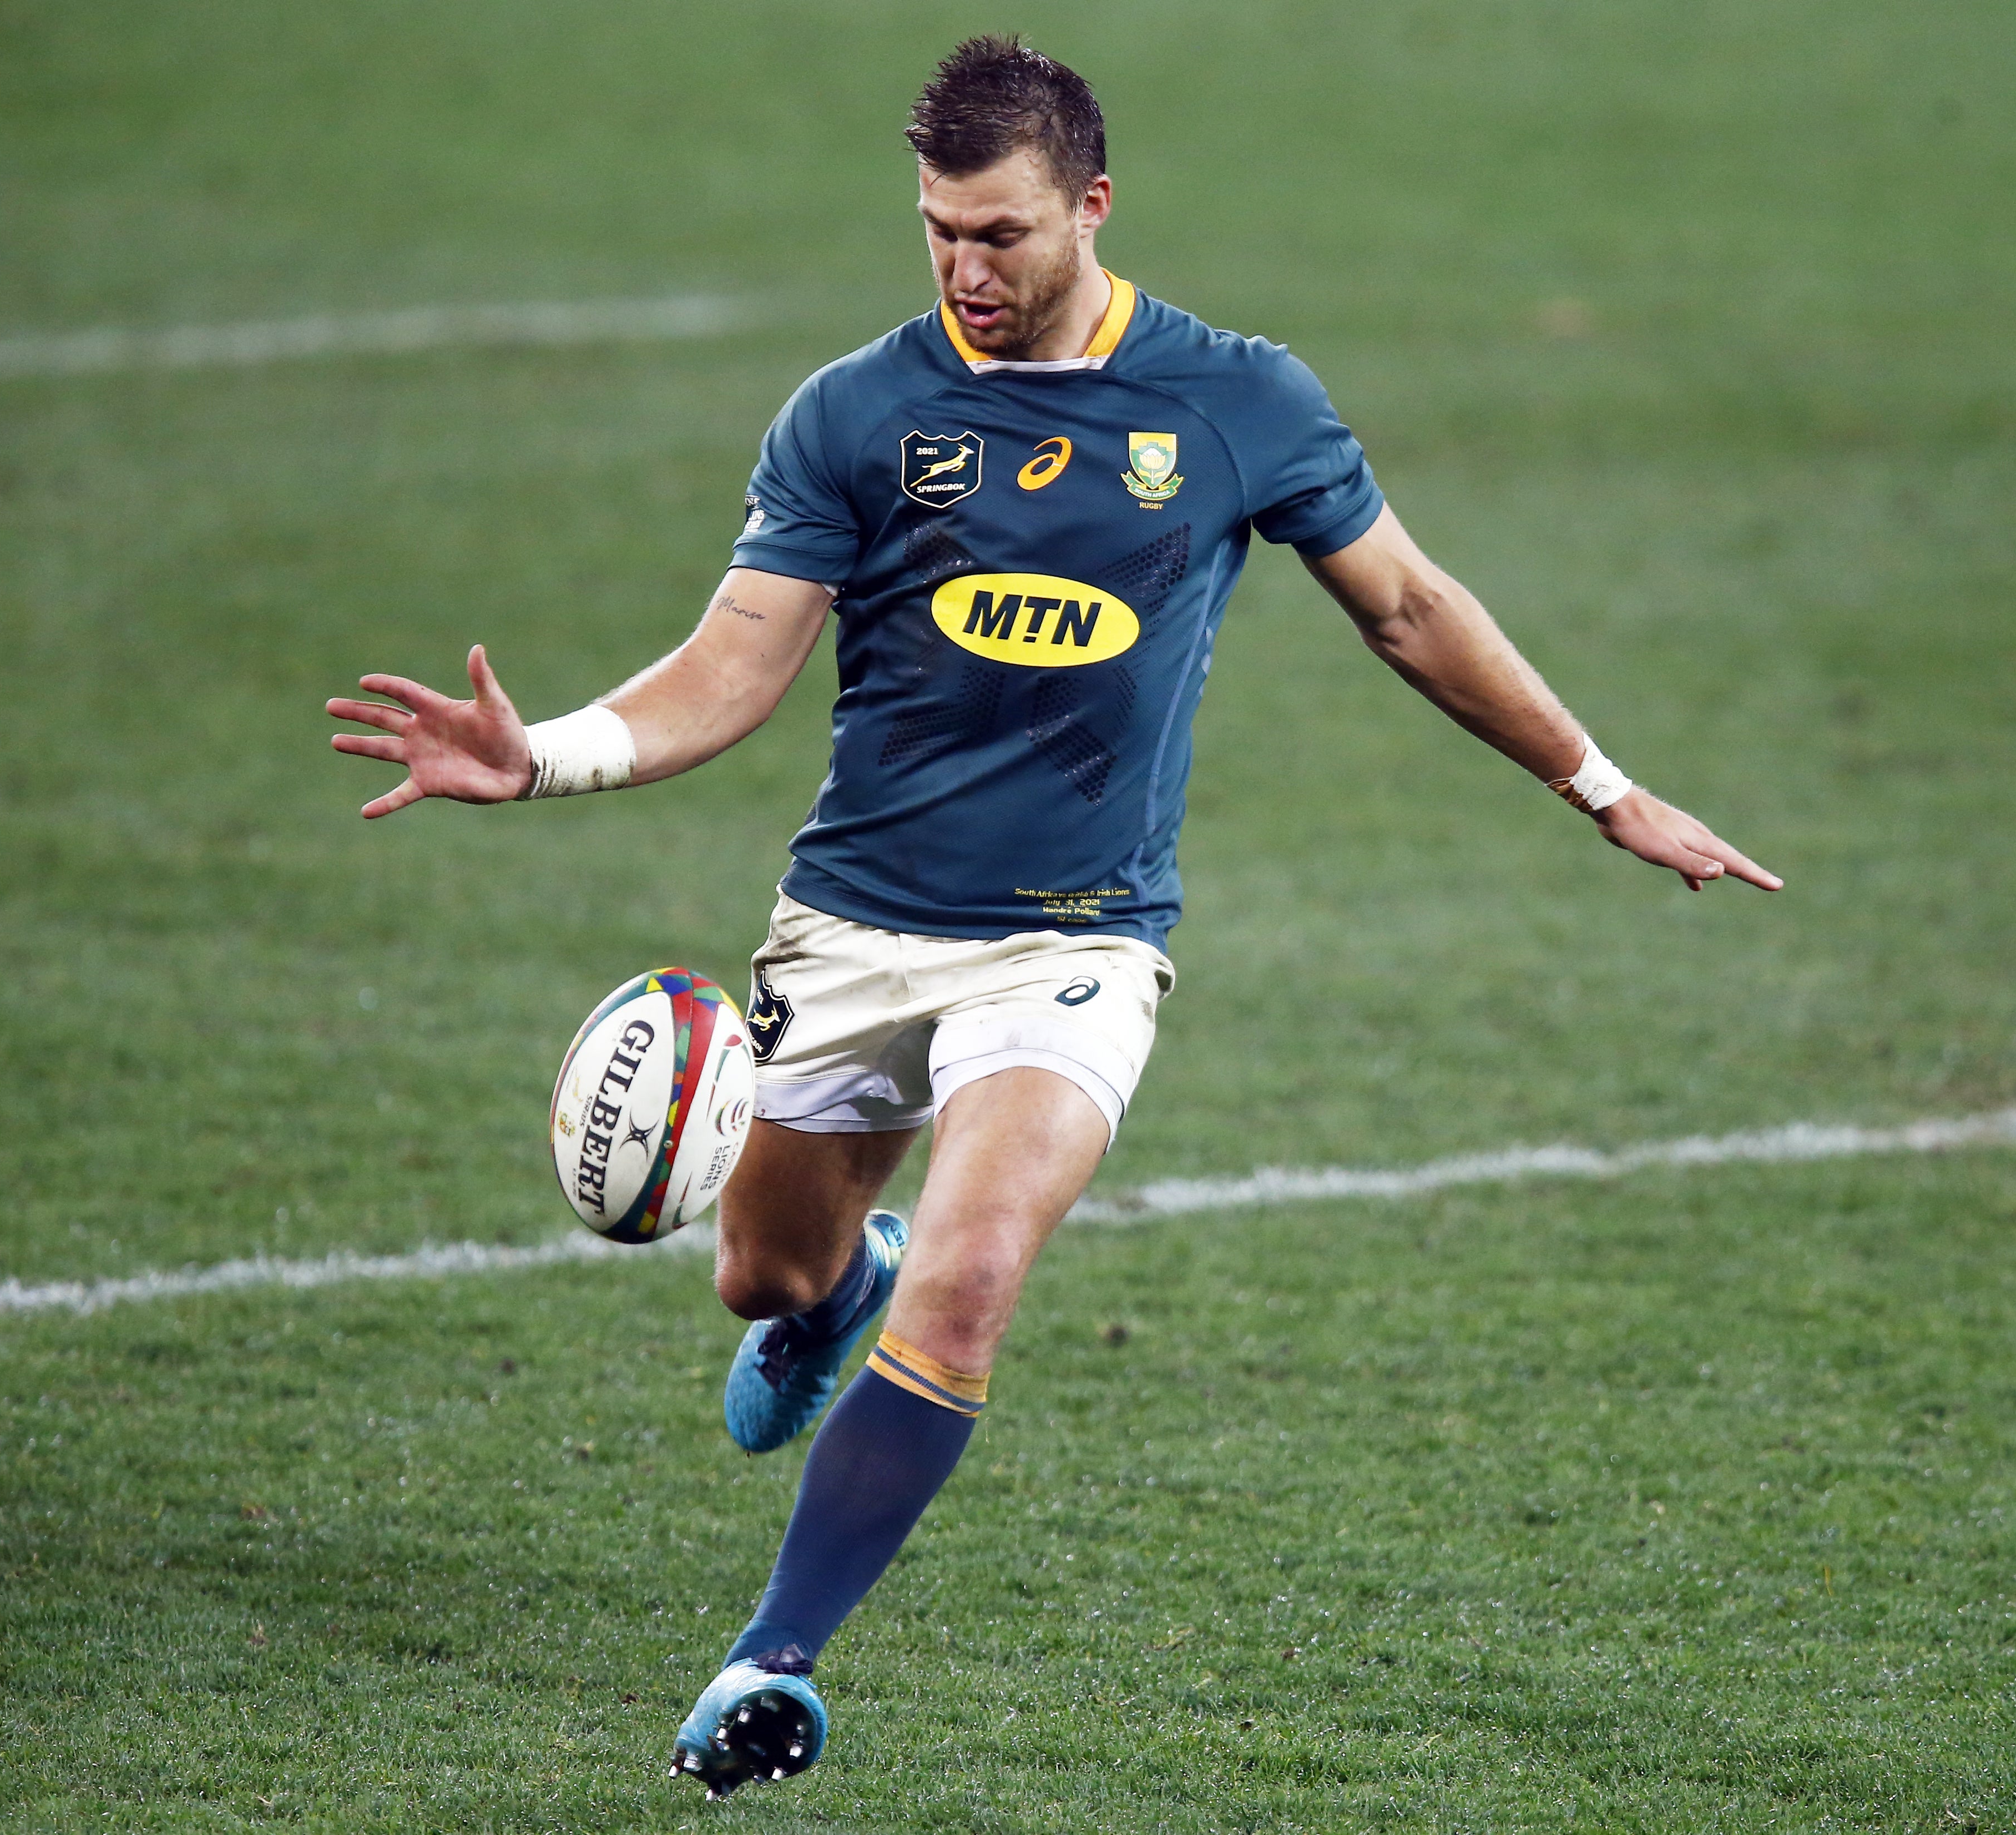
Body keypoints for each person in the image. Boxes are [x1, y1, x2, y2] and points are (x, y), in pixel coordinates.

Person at [326, 33, 1779, 1798]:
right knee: (762, 1272)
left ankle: (766, 1662)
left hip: (1076, 939)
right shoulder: (857, 414)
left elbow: (1406, 604)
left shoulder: (1237, 400)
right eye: (937, 231)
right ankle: (826, 1282)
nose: (964, 269)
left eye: (1000, 233)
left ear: (1093, 206)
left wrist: (1608, 787)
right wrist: (542, 755)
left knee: (978, 1273)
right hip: (856, 920)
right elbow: (736, 665)